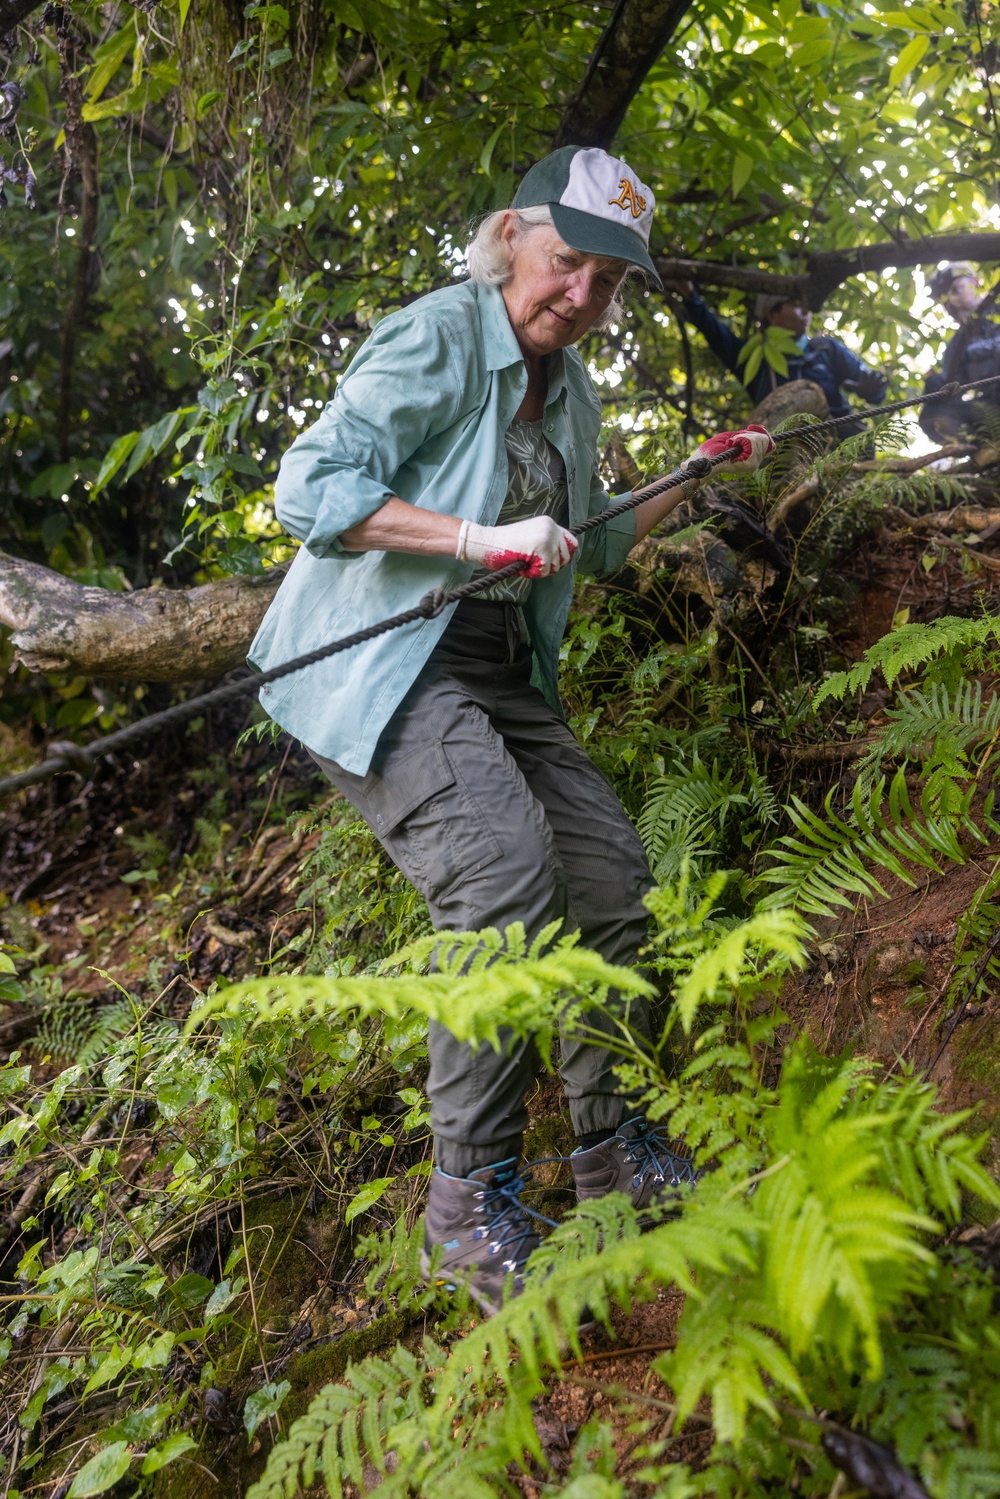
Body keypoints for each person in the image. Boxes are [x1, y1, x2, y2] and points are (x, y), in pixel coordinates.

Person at [249, 146, 773, 1315]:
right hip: (385, 658)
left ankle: (612, 1152)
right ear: (510, 236)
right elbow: (310, 488)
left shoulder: (573, 394)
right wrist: (479, 540)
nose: (581, 295)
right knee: (498, 876)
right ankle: (464, 1206)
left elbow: (606, 540)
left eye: (609, 282)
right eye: (567, 262)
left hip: (498, 666)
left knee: (608, 873)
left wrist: (694, 468)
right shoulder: (440, 334)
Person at [666, 280, 887, 431]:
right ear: (772, 315)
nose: (806, 312)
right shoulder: (756, 359)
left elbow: (874, 390)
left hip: (843, 451)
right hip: (786, 462)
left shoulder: (825, 349)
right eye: (796, 305)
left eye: (806, 306)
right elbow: (714, 331)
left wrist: (872, 388)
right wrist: (689, 294)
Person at [918, 262, 1000, 443]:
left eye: (956, 290)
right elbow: (955, 383)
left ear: (976, 283)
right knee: (932, 414)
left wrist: (979, 350)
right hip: (992, 410)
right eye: (944, 299)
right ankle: (984, 447)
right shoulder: (956, 345)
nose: (951, 301)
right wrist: (938, 386)